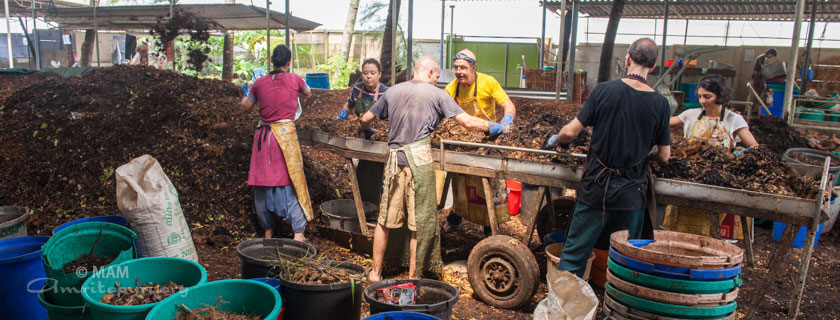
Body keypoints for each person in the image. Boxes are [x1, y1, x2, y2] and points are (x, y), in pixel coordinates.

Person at [361, 56, 507, 281]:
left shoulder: (392, 91)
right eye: (437, 77)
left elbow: (365, 118)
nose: (437, 82)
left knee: (384, 219)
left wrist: (368, 130)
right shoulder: (438, 94)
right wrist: (494, 127)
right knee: (420, 222)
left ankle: (375, 273)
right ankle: (413, 276)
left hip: (393, 161)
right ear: (429, 73)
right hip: (418, 162)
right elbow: (468, 122)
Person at [543, 38, 671, 277]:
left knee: (574, 254)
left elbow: (570, 132)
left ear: (628, 59)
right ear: (653, 68)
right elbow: (664, 155)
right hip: (632, 195)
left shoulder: (603, 91)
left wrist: (556, 139)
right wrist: (644, 153)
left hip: (596, 190)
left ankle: (563, 309)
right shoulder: (661, 104)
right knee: (624, 259)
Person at [663, 74, 758, 239]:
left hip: (718, 179)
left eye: (708, 96)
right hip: (692, 177)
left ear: (720, 96)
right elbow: (664, 123)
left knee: (714, 230)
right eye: (700, 96)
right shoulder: (690, 115)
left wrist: (741, 154)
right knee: (685, 230)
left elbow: (754, 146)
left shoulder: (733, 119)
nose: (702, 101)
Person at [241, 45, 314, 242]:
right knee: (288, 181)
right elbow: (308, 93)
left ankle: (267, 232)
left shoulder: (259, 83)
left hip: (263, 139)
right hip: (284, 138)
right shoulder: (295, 79)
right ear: (288, 62)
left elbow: (245, 107)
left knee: (263, 182)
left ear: (272, 60)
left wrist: (246, 90)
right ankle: (298, 232)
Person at [443, 49, 516, 235]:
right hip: (465, 139)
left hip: (488, 138)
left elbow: (508, 105)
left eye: (463, 68)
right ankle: (455, 218)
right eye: (456, 67)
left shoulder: (488, 82)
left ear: (474, 67)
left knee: (488, 183)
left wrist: (506, 121)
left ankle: (490, 226)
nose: (459, 71)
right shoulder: (452, 88)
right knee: (461, 180)